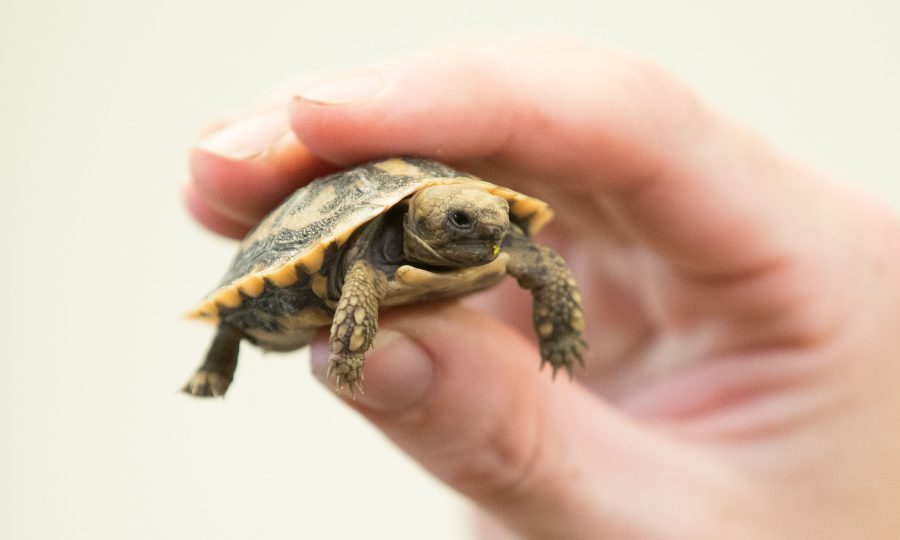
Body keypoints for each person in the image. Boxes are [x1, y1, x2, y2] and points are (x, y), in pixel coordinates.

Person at [184, 37, 900, 539]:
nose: (484, 231)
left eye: (491, 219)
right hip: (315, 260)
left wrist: (559, 330)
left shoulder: (492, 238)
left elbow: (545, 268)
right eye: (463, 220)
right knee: (250, 311)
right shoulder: (369, 255)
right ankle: (220, 356)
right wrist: (350, 357)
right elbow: (360, 278)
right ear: (424, 220)